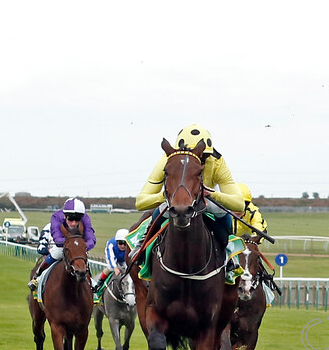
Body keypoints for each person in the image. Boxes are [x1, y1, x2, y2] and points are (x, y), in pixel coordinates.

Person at [135, 124, 244, 253]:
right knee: (161, 211)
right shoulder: (168, 160)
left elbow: (239, 204)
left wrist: (212, 194)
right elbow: (140, 202)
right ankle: (141, 246)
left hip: (205, 200)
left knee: (223, 213)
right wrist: (164, 196)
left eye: (203, 157)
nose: (199, 160)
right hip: (175, 202)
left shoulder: (217, 162)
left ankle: (228, 252)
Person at [28, 198, 96, 290]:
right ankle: (37, 275)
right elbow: (57, 237)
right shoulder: (56, 217)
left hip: (77, 245)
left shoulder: (85, 219)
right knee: (56, 253)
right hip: (63, 245)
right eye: (71, 219)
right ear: (65, 216)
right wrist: (69, 245)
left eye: (77, 220)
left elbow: (91, 237)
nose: (74, 223)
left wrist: (83, 246)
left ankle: (91, 284)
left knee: (82, 259)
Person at [92, 229, 129, 293]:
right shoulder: (111, 244)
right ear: (117, 242)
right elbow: (111, 257)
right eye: (120, 243)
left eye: (125, 244)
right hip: (112, 256)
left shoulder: (131, 245)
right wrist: (115, 268)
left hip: (124, 259)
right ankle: (100, 283)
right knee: (110, 267)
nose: (123, 246)